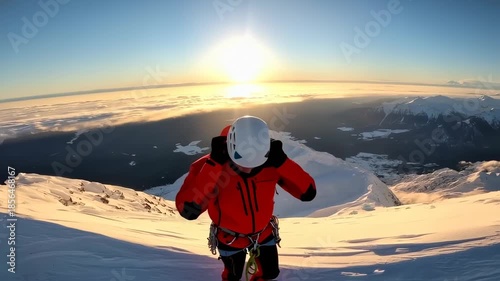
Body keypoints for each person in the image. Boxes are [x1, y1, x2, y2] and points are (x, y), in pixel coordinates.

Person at [176, 116, 316, 281]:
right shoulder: (210, 165)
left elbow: (308, 192)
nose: (248, 169)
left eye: (255, 164)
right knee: (232, 276)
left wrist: (283, 163)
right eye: (242, 163)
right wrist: (214, 166)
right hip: (229, 238)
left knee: (270, 273)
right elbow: (189, 210)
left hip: (263, 233)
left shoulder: (272, 161)